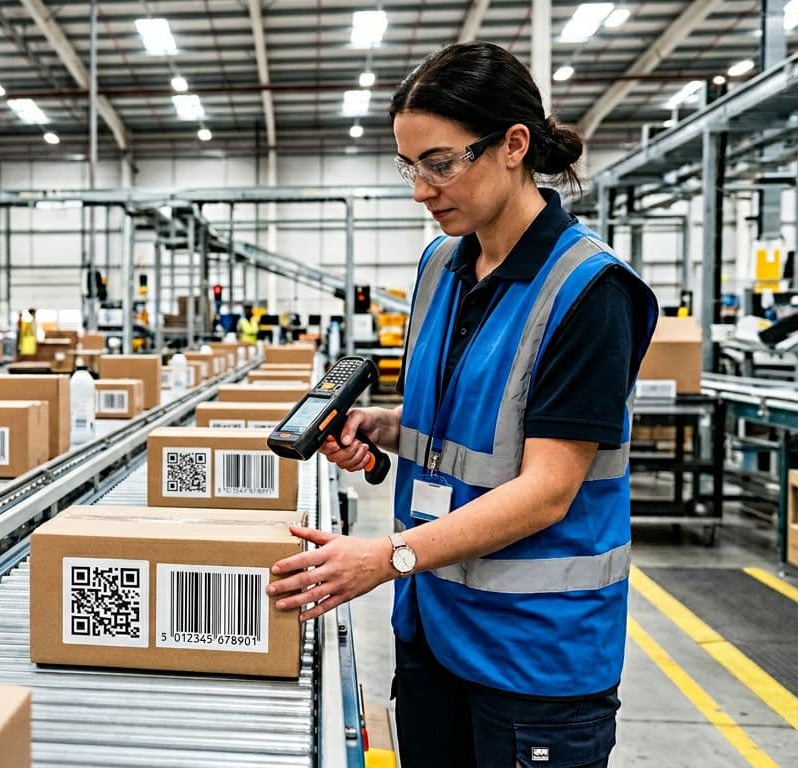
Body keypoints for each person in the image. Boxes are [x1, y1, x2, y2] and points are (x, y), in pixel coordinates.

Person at [268, 42, 658, 767]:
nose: (422, 189)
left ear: (513, 146)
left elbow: (547, 490)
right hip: (434, 626)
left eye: (441, 163)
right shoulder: (441, 264)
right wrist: (382, 427)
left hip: (534, 657)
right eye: (409, 166)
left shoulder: (590, 291)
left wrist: (384, 557)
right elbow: (465, 428)